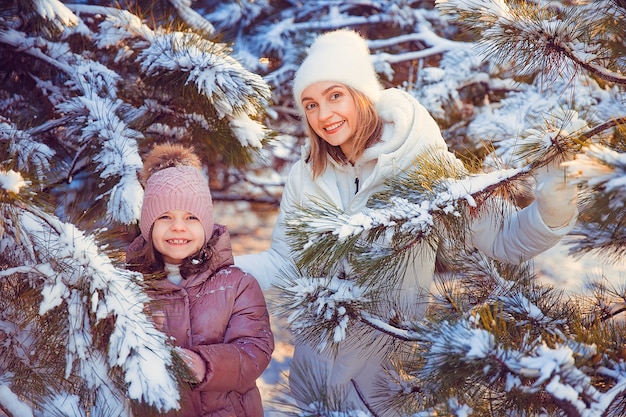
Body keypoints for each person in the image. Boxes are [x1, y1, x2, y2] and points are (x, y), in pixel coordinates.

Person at [235, 30, 578, 414]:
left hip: (384, 381)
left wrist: (553, 210)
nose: (324, 115)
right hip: (315, 377)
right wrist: (218, 265)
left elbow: (503, 238)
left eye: (335, 96)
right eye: (310, 104)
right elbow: (286, 262)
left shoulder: (421, 162)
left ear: (361, 93)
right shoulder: (307, 174)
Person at [126, 143, 274, 417]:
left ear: (206, 225)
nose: (178, 226)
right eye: (165, 217)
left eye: (191, 217)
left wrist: (203, 364)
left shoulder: (237, 285)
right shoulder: (128, 287)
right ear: (148, 226)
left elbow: (255, 350)